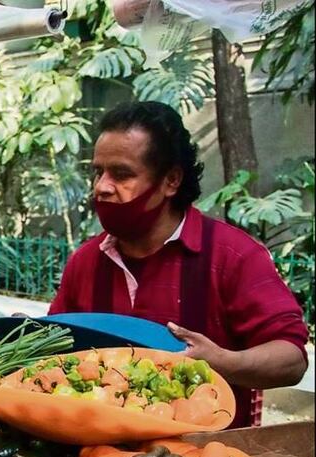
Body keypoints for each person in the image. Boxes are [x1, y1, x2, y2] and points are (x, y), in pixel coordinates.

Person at [50, 101, 308, 427]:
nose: (101, 186)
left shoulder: (234, 256)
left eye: (122, 174)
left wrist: (222, 362)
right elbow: (56, 346)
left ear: (171, 180)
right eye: (98, 172)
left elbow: (292, 359)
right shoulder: (86, 261)